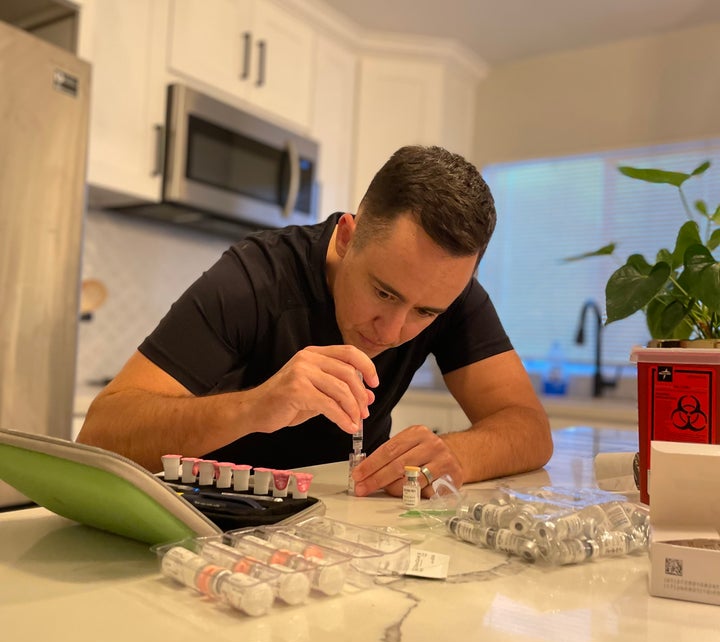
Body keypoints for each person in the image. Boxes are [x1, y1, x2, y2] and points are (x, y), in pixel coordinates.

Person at [77, 145, 553, 498]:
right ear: (347, 237)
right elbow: (100, 435)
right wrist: (254, 407)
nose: (391, 333)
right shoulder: (253, 277)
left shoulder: (450, 291)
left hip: (351, 527)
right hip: (214, 522)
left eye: (426, 313)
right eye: (383, 292)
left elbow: (529, 428)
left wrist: (456, 455)